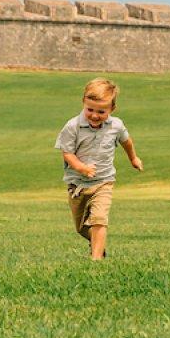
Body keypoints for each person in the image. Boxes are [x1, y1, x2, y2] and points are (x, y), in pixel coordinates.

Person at [56, 77, 143, 260]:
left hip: (103, 181)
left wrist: (133, 158)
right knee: (80, 227)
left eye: (101, 111)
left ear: (112, 109)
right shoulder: (73, 126)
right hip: (77, 185)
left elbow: (126, 141)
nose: (95, 115)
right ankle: (97, 245)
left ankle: (97, 261)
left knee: (99, 220)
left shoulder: (116, 126)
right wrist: (81, 168)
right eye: (90, 110)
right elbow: (67, 153)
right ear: (83, 104)